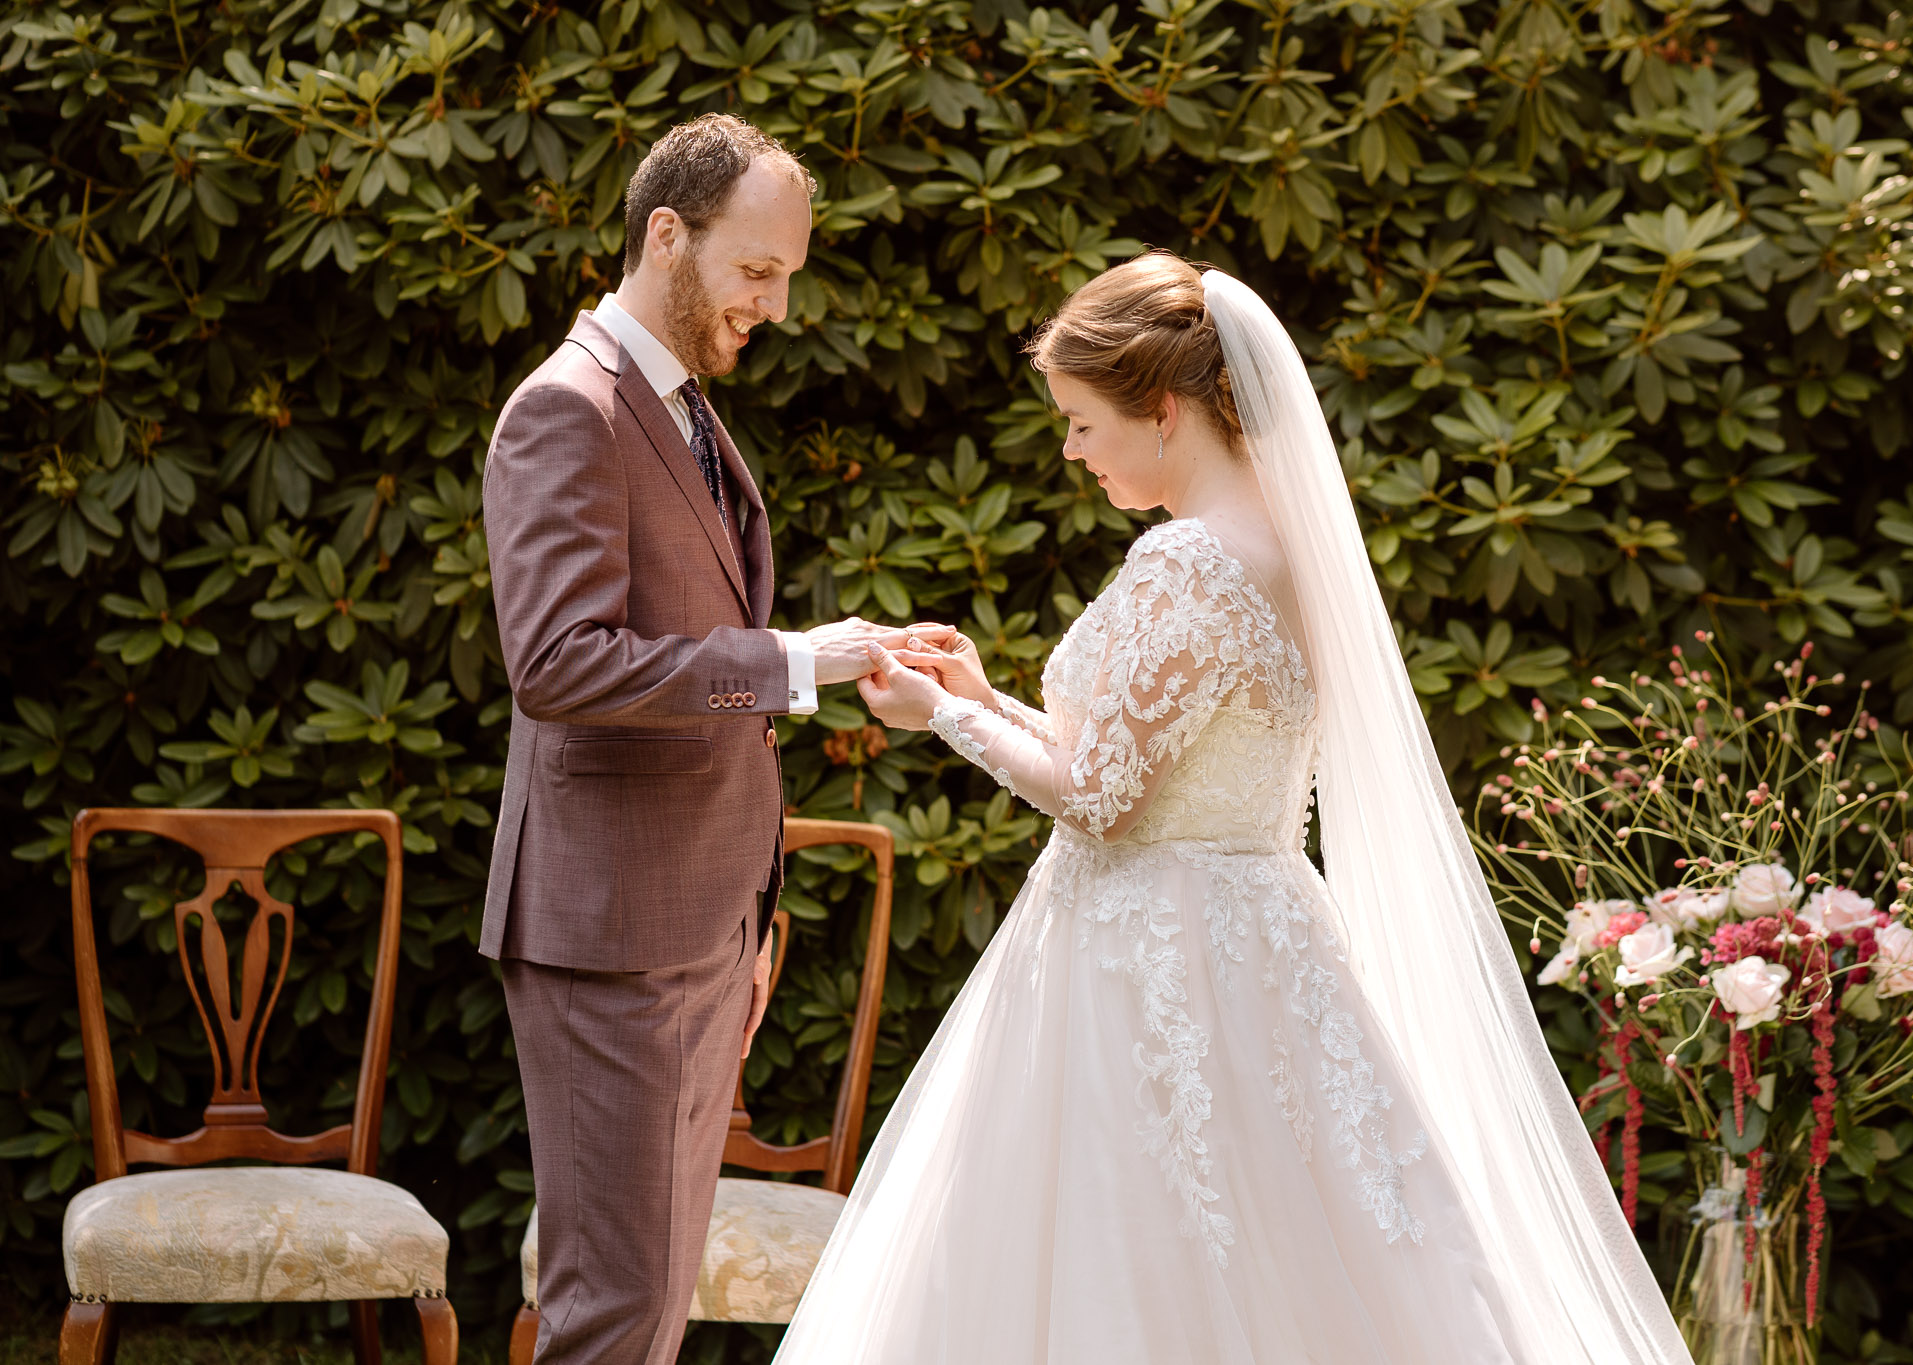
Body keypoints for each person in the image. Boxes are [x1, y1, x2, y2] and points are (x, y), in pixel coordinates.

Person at [774, 252, 1696, 1363]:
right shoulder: (1287, 544)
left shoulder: (1190, 560)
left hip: (1142, 956)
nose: (1070, 451)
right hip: (1256, 936)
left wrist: (938, 721)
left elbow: (1106, 803)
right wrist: (983, 695)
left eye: (1078, 422)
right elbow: (1143, 762)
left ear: (1159, 410)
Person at [479, 113, 929, 1364]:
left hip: (695, 923)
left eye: (787, 274)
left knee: (653, 1308)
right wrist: (795, 663)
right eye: (757, 270)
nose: (776, 307)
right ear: (665, 235)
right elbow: (559, 665)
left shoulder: (676, 408)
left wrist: (742, 923)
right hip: (614, 935)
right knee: (614, 1314)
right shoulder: (566, 409)